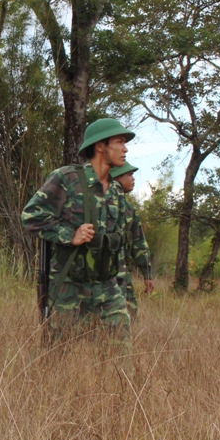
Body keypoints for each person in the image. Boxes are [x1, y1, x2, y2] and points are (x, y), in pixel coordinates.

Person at [21, 118, 134, 348]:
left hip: (107, 286)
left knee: (120, 352)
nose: (125, 148)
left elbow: (116, 244)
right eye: (119, 142)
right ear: (100, 146)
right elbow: (31, 215)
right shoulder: (67, 178)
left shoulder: (115, 191)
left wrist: (124, 290)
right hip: (68, 286)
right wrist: (69, 235)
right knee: (57, 354)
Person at [110, 162, 155, 316]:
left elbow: (138, 242)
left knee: (127, 314)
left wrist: (147, 273)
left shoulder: (130, 209)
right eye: (129, 175)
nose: (133, 179)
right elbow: (139, 243)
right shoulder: (101, 202)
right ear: (116, 178)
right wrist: (147, 274)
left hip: (121, 272)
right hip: (102, 272)